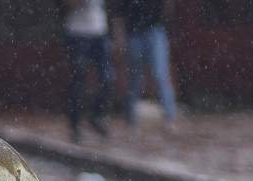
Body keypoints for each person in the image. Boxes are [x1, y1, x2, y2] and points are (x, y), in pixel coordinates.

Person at [55, 0, 113, 142]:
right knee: (78, 79)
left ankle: (96, 115)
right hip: (77, 33)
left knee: (107, 77)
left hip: (99, 31)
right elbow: (66, 5)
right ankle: (75, 125)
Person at [119, 0, 177, 133]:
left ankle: (169, 118)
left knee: (160, 75)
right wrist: (120, 39)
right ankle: (131, 121)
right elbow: (119, 15)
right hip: (133, 33)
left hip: (154, 30)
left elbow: (168, 7)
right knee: (134, 79)